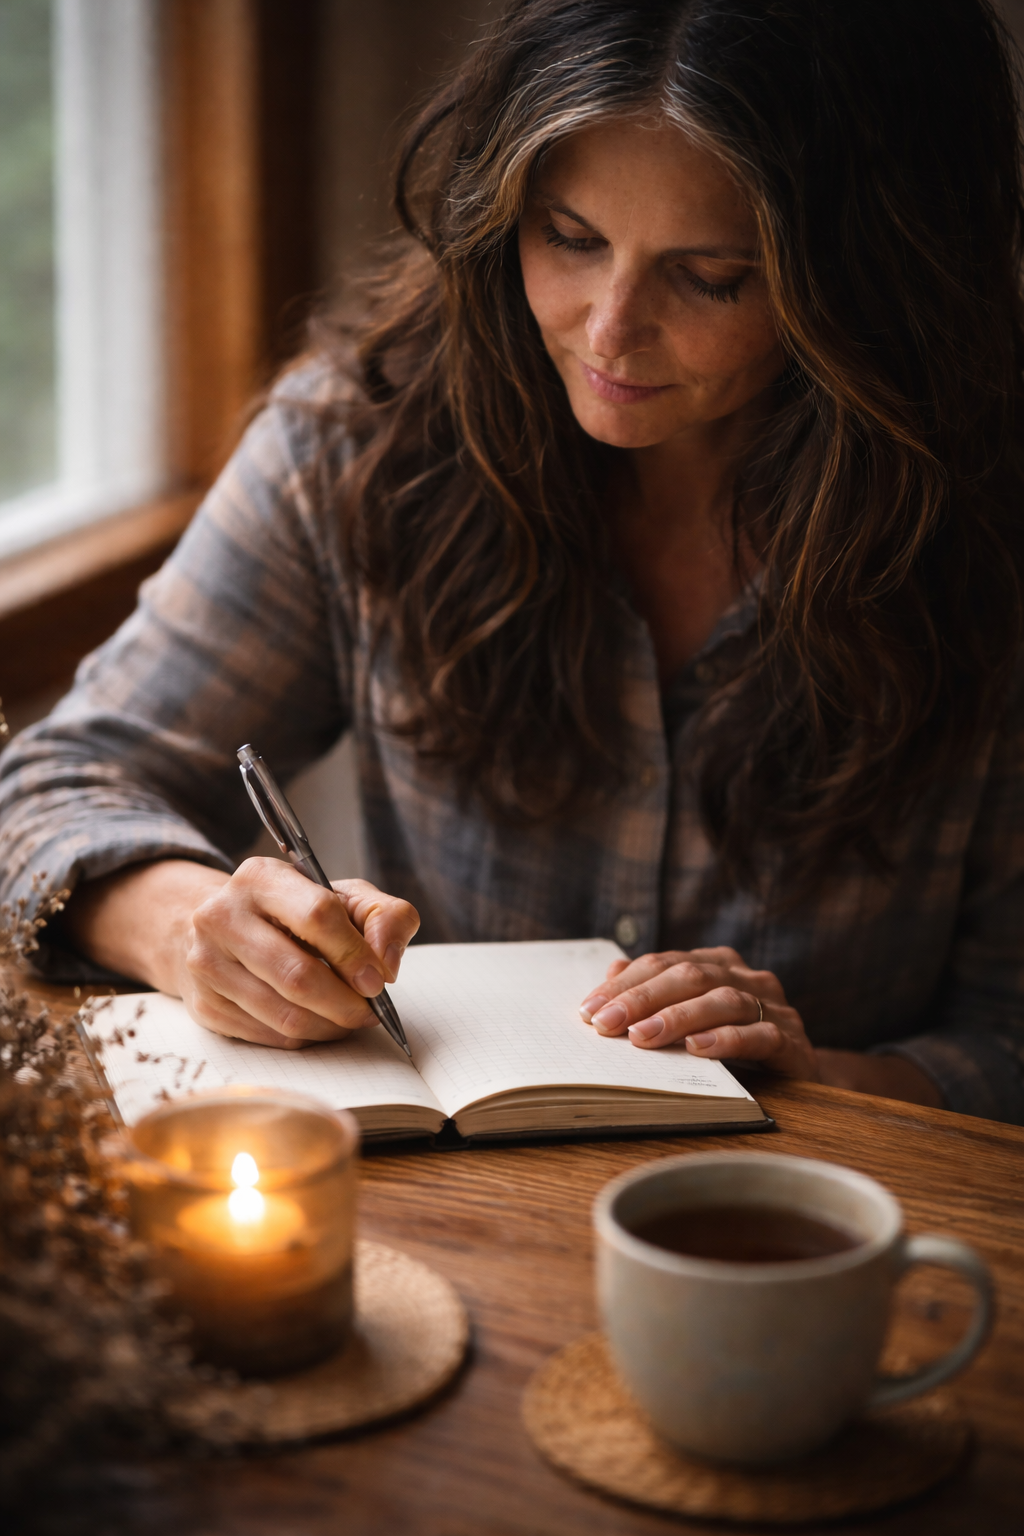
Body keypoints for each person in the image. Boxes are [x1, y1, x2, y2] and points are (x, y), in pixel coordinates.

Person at [3, 0, 1024, 1122]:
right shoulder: (359, 450)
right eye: (570, 239)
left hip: (844, 1241)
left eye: (713, 275)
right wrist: (187, 923)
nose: (607, 330)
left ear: (876, 274)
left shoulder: (985, 530)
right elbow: (49, 787)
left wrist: (824, 1077)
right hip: (467, 1219)